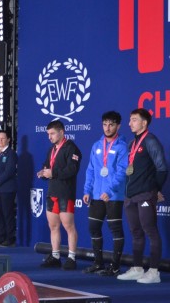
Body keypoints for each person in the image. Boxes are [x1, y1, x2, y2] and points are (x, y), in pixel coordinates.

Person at [117, 108, 168, 284]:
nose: (130, 123)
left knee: (150, 231)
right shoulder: (132, 144)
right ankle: (137, 268)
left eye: (134, 120)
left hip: (145, 194)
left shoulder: (151, 141)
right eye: (130, 120)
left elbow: (162, 168)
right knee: (135, 232)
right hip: (130, 196)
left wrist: (155, 190)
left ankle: (154, 272)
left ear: (144, 123)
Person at [82, 111, 127, 276]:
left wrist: (109, 190)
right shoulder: (96, 145)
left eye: (111, 124)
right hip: (96, 195)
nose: (107, 128)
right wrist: (87, 190)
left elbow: (122, 172)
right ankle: (98, 263)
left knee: (115, 229)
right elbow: (91, 170)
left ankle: (115, 266)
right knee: (93, 228)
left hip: (114, 195)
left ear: (118, 126)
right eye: (105, 124)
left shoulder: (122, 146)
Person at [37, 120, 82, 270]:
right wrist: (43, 172)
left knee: (68, 226)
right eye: (48, 134)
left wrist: (53, 173)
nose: (49, 137)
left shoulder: (72, 148)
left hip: (65, 192)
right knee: (53, 226)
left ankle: (71, 257)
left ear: (62, 132)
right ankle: (55, 255)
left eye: (52, 133)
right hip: (52, 192)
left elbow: (72, 170)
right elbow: (47, 165)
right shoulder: (52, 149)